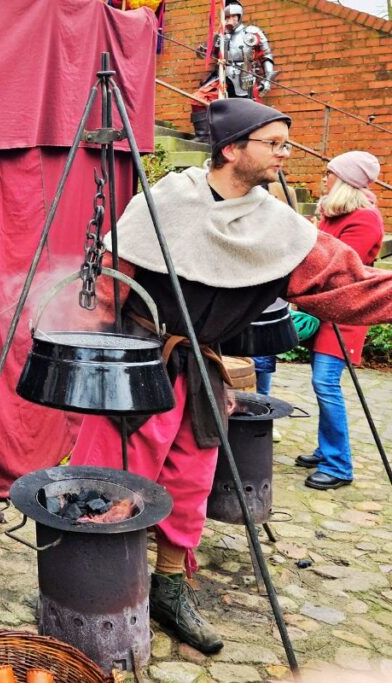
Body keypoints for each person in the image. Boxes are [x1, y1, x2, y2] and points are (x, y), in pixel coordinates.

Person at [70, 98, 392, 655]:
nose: (285, 154)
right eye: (274, 142)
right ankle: (93, 593)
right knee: (111, 485)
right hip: (138, 367)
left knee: (190, 485)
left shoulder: (279, 228)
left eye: (286, 143)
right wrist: (93, 360)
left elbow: (349, 284)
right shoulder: (164, 204)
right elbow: (109, 286)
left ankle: (169, 589)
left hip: (203, 373)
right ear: (232, 148)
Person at [293, 151, 385, 490]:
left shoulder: (364, 219)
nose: (324, 179)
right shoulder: (335, 213)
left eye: (330, 174)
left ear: (346, 180)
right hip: (325, 309)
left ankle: (339, 464)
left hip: (345, 313)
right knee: (322, 384)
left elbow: (342, 272)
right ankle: (326, 449)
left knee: (326, 383)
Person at [191, 1, 276, 141]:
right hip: (222, 74)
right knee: (199, 98)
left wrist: (267, 80)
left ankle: (247, 139)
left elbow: (266, 56)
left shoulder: (252, 32)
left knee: (246, 110)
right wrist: (202, 51)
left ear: (239, 16)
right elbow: (207, 53)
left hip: (245, 75)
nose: (228, 20)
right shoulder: (221, 34)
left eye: (232, 17)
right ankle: (203, 136)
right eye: (226, 17)